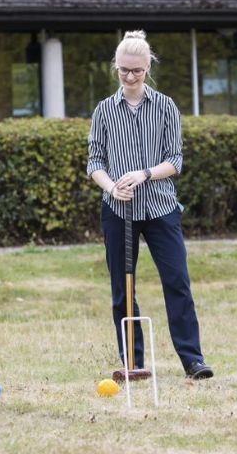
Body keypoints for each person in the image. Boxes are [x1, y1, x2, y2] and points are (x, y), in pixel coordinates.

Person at [87, 30, 213, 380]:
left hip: (161, 209)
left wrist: (143, 174)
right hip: (118, 212)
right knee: (122, 290)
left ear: (148, 69)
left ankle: (193, 360)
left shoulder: (166, 107)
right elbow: (94, 162)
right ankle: (133, 364)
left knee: (177, 282)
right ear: (116, 67)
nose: (129, 77)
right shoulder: (104, 111)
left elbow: (175, 160)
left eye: (137, 71)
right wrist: (112, 187)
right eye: (123, 70)